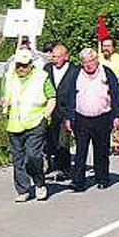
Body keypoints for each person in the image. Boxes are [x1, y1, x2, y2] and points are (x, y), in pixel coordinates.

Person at [65, 49, 119, 191]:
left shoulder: (106, 73)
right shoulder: (76, 74)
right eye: (85, 62)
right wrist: (68, 117)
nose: (89, 65)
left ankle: (102, 178)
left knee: (101, 150)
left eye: (91, 61)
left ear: (97, 60)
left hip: (102, 117)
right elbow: (69, 97)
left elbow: (116, 94)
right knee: (80, 151)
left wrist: (117, 115)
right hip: (81, 118)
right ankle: (78, 182)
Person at [2, 49, 56, 202]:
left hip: (36, 122)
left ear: (31, 65)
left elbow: (52, 97)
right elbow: (5, 96)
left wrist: (46, 116)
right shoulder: (10, 77)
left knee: (33, 156)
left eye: (24, 66)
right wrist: (5, 103)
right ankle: (23, 190)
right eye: (19, 65)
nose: (21, 68)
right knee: (18, 159)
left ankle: (39, 183)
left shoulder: (41, 77)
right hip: (14, 123)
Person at [43, 43, 77, 180]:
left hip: (66, 111)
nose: (55, 59)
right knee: (50, 139)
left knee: (63, 140)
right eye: (54, 56)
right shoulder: (47, 69)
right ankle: (51, 165)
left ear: (66, 57)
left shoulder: (74, 71)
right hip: (50, 111)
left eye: (58, 57)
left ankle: (63, 168)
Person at [99, 38, 119, 155]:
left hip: (117, 95)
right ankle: (104, 145)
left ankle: (116, 143)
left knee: (115, 121)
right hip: (102, 96)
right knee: (103, 123)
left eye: (108, 46)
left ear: (114, 47)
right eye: (104, 46)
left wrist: (112, 81)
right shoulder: (98, 59)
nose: (105, 48)